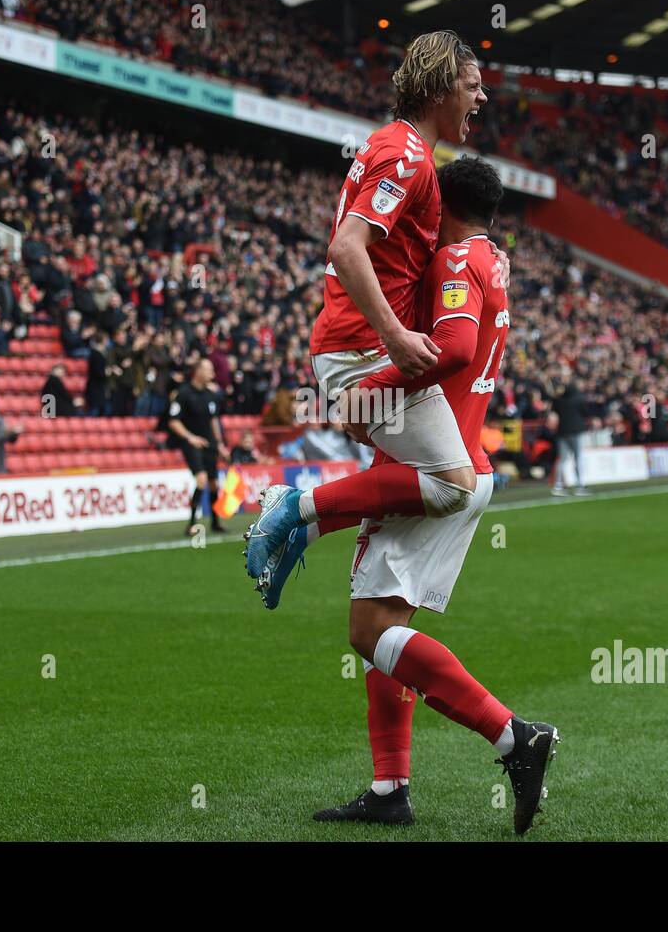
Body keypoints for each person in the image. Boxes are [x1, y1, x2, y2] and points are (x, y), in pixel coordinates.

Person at [258, 157, 558, 833]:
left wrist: (377, 384)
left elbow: (454, 345)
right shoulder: (491, 258)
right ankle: (389, 786)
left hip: (435, 467)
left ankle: (514, 736)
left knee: (370, 632)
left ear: (442, 204)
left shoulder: (456, 258)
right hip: (458, 461)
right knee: (383, 628)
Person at [244, 31, 495, 583]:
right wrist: (397, 338)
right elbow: (345, 246)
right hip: (362, 345)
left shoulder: (403, 151)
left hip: (356, 346)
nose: (481, 99)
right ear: (438, 88)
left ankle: (302, 527)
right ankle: (296, 509)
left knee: (428, 479)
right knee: (455, 484)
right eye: (473, 86)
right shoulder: (405, 156)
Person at [168, 358, 225, 536]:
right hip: (192, 444)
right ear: (198, 371)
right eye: (209, 370)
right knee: (201, 479)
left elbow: (214, 420)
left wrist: (221, 444)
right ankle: (192, 523)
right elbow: (173, 421)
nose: (213, 374)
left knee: (214, 484)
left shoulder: (211, 395)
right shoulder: (184, 394)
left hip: (209, 444)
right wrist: (190, 437)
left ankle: (215, 522)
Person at [551, 379, 588, 495]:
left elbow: (554, 407)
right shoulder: (579, 399)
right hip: (576, 432)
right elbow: (585, 412)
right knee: (578, 458)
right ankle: (579, 485)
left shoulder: (559, 400)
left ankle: (558, 485)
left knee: (562, 459)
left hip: (562, 432)